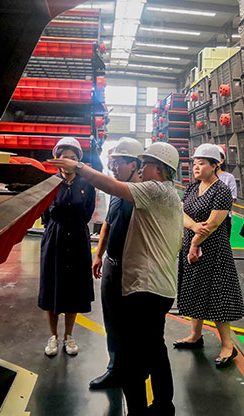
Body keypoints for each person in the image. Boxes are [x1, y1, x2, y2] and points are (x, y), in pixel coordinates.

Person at [48, 142, 182, 416]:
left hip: (144, 288)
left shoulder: (153, 190)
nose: (142, 168)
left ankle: (138, 411)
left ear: (159, 168)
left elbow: (108, 185)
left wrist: (78, 167)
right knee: (155, 349)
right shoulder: (169, 195)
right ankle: (163, 407)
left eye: (146, 164)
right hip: (158, 286)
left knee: (132, 358)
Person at [174, 143, 244, 369]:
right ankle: (195, 335)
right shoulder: (192, 188)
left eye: (202, 163)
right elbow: (181, 212)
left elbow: (213, 224)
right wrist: (194, 227)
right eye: (195, 163)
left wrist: (195, 242)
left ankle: (228, 346)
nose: (196, 167)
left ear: (214, 166)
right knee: (194, 290)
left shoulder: (221, 191)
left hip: (214, 251)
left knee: (217, 296)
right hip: (192, 247)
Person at [88, 137, 143, 390]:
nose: (113, 167)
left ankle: (134, 369)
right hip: (111, 264)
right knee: (111, 318)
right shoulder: (117, 192)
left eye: (118, 162)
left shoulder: (142, 194)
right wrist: (99, 255)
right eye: (112, 163)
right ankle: (115, 368)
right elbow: (108, 224)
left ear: (134, 165)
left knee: (133, 322)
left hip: (134, 269)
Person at [39, 137, 96, 356]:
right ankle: (53, 336)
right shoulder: (50, 184)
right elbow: (45, 215)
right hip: (55, 238)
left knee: (74, 288)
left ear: (78, 161)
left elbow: (87, 213)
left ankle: (68, 336)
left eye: (73, 158)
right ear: (57, 160)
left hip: (78, 238)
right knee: (52, 286)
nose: (69, 161)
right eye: (65, 157)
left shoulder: (87, 184)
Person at [215, 145, 238, 237]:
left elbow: (232, 198)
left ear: (221, 160)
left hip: (224, 217)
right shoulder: (204, 178)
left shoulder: (229, 178)